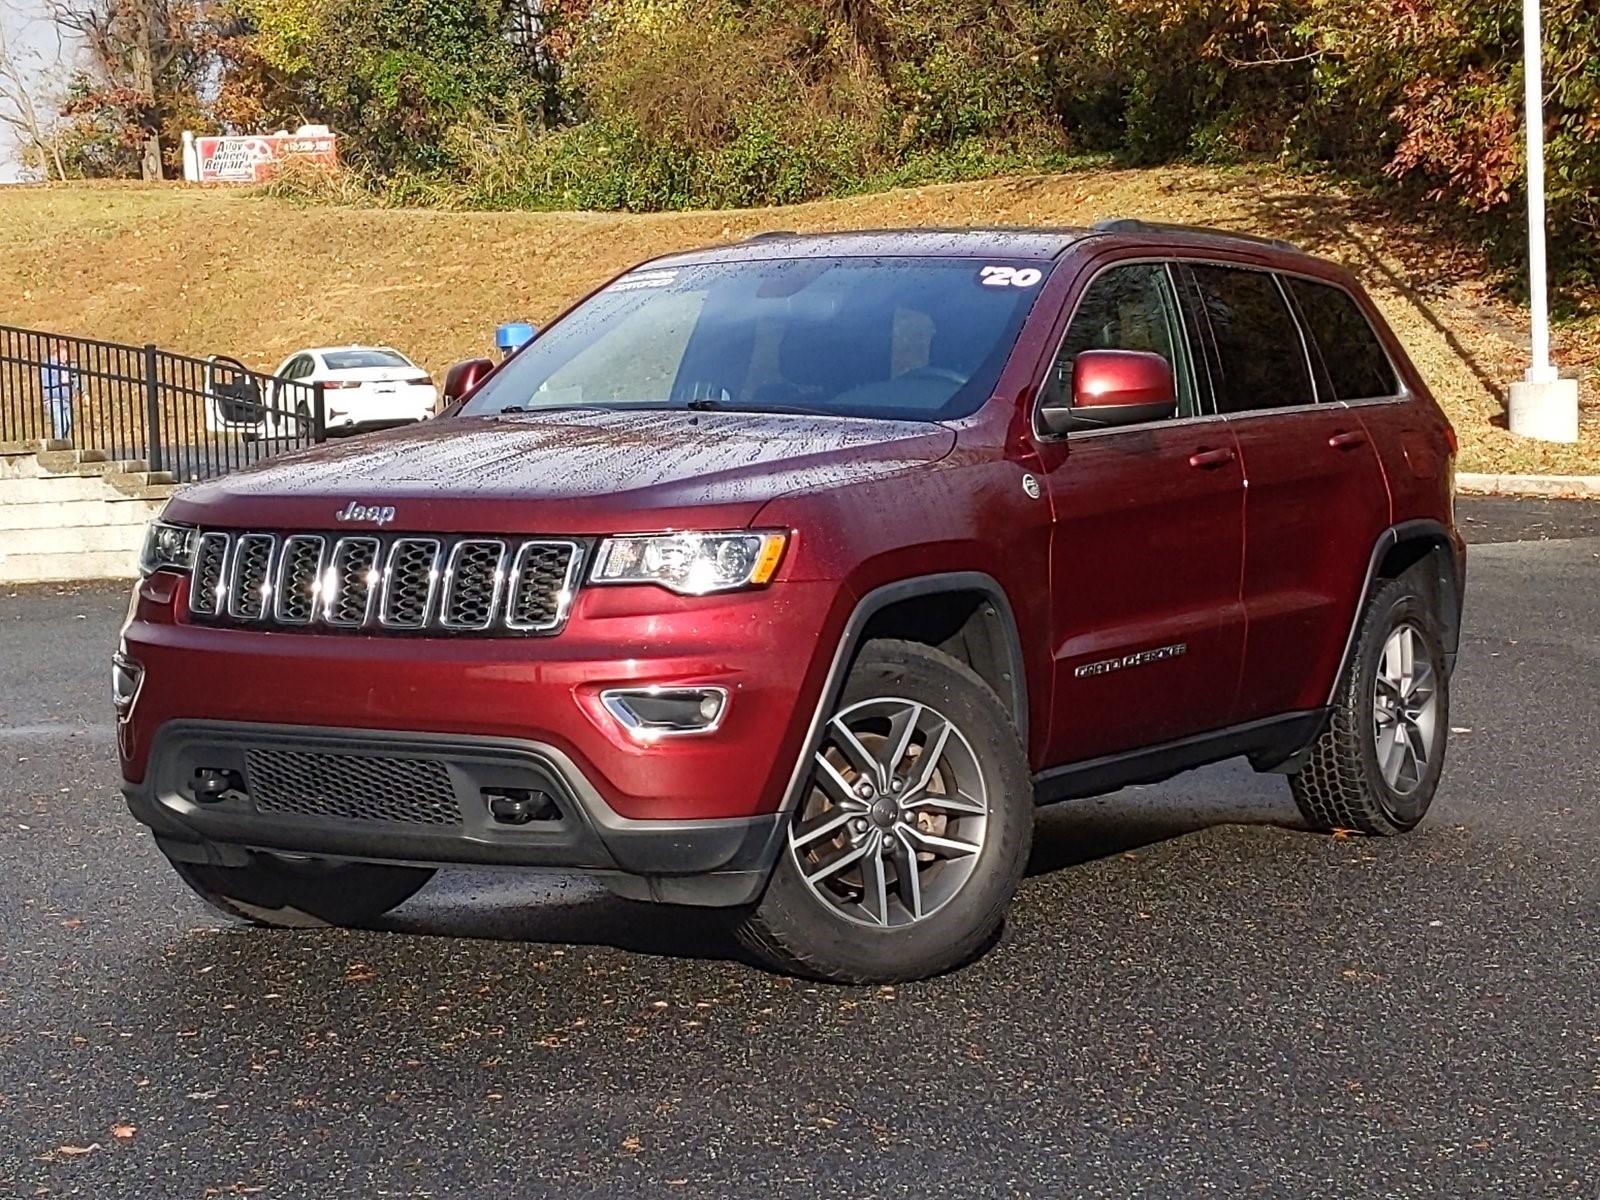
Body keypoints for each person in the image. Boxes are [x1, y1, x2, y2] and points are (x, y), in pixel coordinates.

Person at [40, 341, 78, 442]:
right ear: (57, 353)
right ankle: (59, 448)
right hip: (54, 399)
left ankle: (64, 444)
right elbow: (46, 381)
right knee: (60, 424)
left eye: (66, 355)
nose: (65, 357)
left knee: (68, 423)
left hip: (66, 399)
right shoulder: (48, 364)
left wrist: (82, 392)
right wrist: (61, 381)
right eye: (63, 355)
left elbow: (76, 380)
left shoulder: (68, 366)